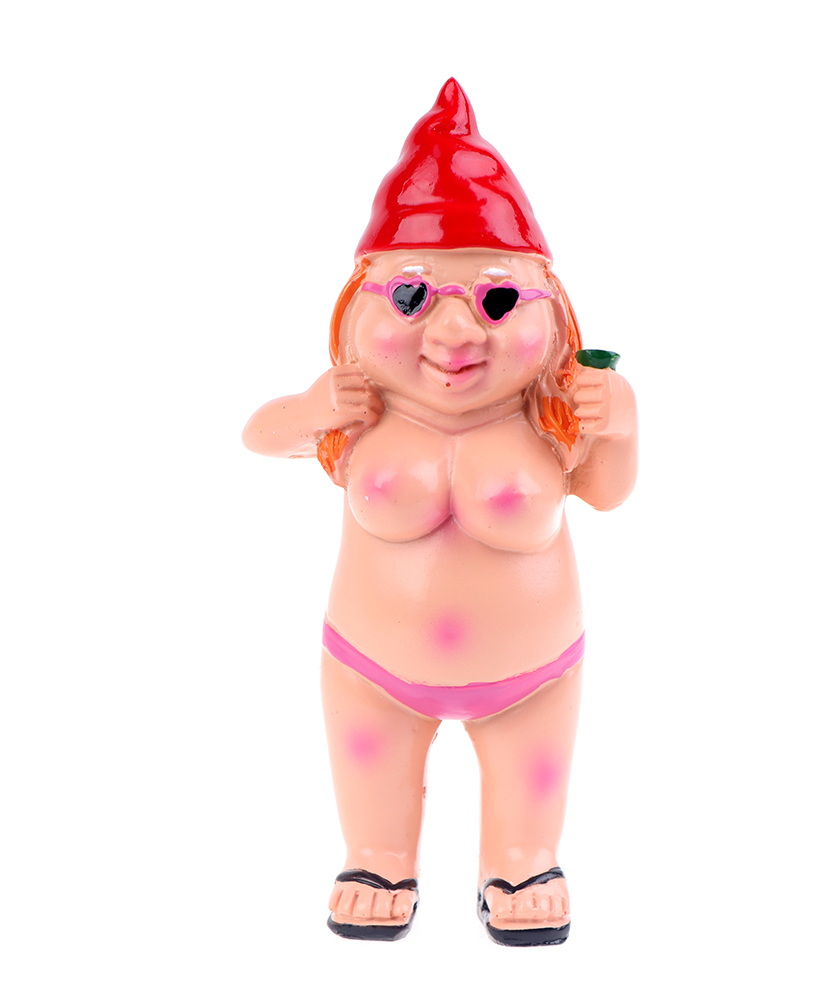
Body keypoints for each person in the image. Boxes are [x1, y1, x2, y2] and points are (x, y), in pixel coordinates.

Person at [243, 79, 638, 946]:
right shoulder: (357, 409)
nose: (456, 336)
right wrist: (312, 409)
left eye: (497, 302)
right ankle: (378, 856)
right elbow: (258, 437)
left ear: (553, 314)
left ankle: (523, 861)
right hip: (371, 670)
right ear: (358, 304)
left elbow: (608, 492)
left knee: (528, 793)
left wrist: (622, 425)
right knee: (373, 790)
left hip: (534, 674)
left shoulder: (555, 411)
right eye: (413, 299)